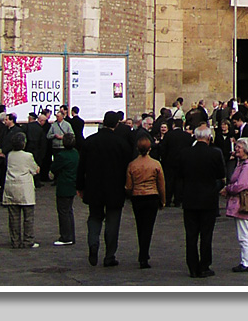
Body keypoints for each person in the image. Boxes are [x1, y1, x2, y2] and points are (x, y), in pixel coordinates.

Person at [76, 110, 133, 267]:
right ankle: (109, 255)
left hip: (94, 187)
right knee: (113, 222)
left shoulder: (90, 141)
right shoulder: (121, 144)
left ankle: (93, 243)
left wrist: (80, 186)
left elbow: (81, 167)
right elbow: (128, 167)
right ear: (116, 124)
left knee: (94, 218)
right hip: (115, 188)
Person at [179, 126, 225, 277]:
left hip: (190, 198)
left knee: (191, 235)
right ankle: (204, 265)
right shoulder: (214, 153)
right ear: (208, 137)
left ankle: (192, 266)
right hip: (208, 199)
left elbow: (180, 174)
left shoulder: (185, 153)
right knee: (206, 235)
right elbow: (220, 175)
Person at [124, 135, 166, 269]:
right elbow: (161, 185)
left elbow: (128, 186)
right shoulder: (155, 164)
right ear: (149, 148)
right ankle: (144, 254)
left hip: (138, 196)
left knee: (140, 226)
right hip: (152, 196)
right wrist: (162, 200)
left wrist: (130, 195)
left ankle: (143, 252)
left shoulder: (132, 165)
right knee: (148, 227)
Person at [221, 137, 248, 272]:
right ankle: (246, 260)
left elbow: (241, 185)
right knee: (243, 231)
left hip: (242, 201)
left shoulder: (247, 165)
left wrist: (228, 189)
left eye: (239, 147)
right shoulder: (242, 163)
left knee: (244, 232)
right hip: (239, 201)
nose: (236, 149)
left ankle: (247, 261)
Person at [2, 132, 40, 249]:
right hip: (24, 188)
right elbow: (35, 170)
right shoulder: (28, 156)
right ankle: (28, 240)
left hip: (11, 187)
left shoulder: (10, 155)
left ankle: (15, 241)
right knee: (28, 217)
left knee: (13, 217)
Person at [50, 132, 79, 246]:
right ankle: (71, 234)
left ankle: (66, 236)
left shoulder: (62, 155)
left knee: (63, 212)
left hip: (64, 185)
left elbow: (54, 168)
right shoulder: (75, 153)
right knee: (69, 211)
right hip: (72, 184)